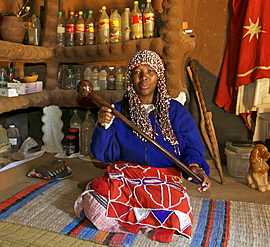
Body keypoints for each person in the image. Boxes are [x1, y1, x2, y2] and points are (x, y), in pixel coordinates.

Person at [74, 49, 211, 243]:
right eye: (138, 72)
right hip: (126, 176)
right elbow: (104, 156)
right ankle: (145, 218)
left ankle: (140, 218)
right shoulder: (118, 110)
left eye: (150, 72)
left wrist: (196, 167)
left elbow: (192, 148)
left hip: (163, 179)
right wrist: (104, 127)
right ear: (131, 78)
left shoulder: (176, 112)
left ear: (159, 77)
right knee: (95, 202)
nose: (144, 77)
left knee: (177, 207)